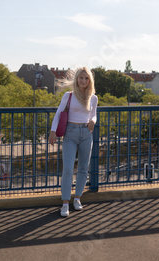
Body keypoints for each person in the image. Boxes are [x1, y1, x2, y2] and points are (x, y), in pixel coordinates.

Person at [49, 67, 98, 217]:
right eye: (81, 78)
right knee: (68, 169)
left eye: (86, 78)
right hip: (70, 133)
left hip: (86, 133)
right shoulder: (69, 96)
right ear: (77, 79)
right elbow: (58, 113)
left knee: (83, 168)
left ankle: (77, 198)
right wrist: (52, 132)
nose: (83, 81)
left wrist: (93, 121)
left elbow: (94, 114)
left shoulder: (93, 97)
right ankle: (65, 203)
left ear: (90, 81)